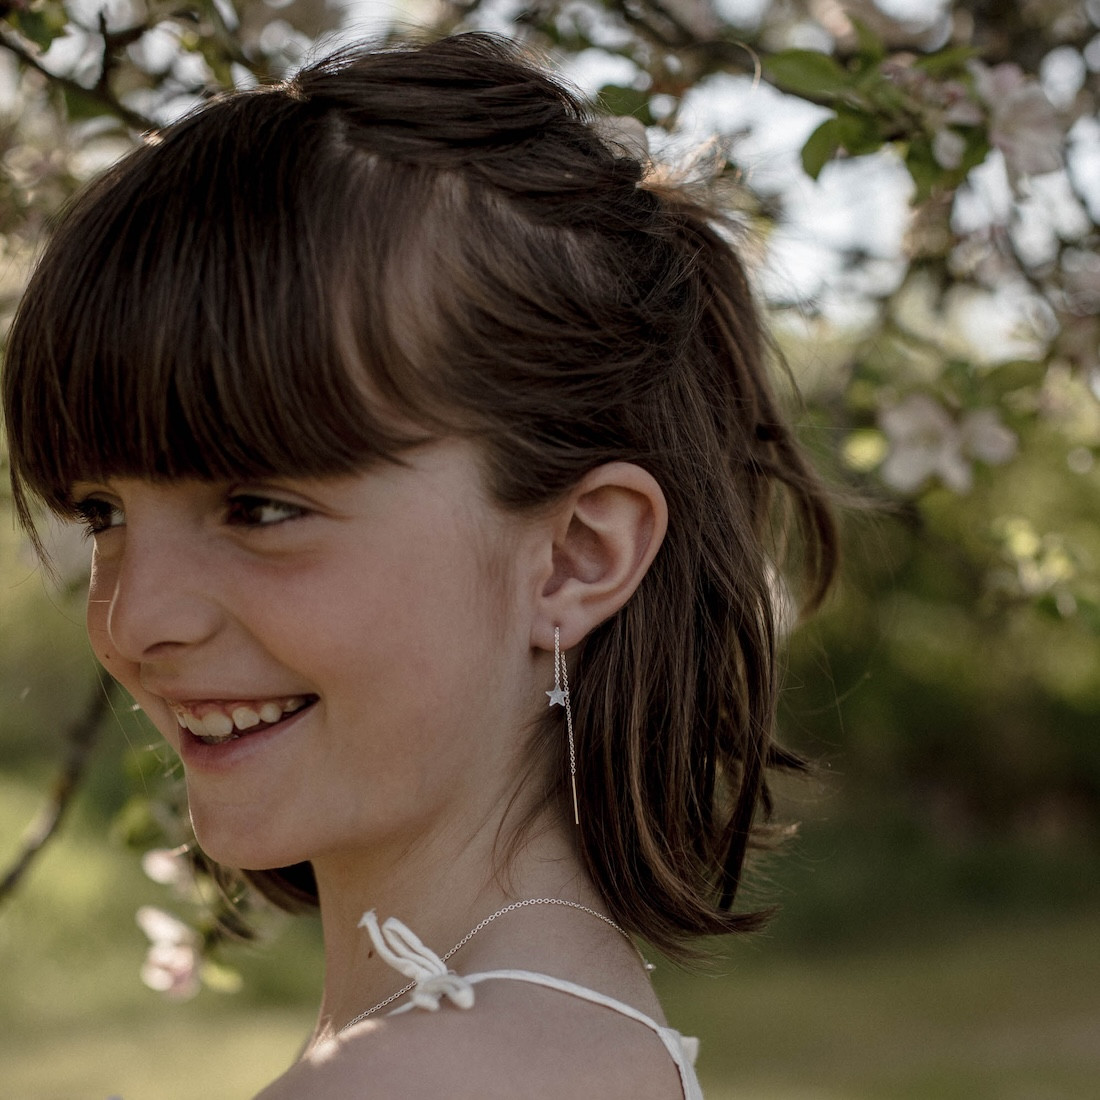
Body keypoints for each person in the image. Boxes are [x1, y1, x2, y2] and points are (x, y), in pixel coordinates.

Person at [1, 32, 836, 1099]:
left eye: (260, 507)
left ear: (575, 557)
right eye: (103, 512)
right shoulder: (565, 1037)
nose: (133, 620)